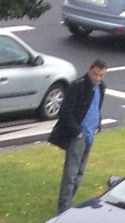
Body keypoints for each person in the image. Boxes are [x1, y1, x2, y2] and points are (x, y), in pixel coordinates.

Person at [49, 61, 107, 214]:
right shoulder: (78, 86)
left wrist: (98, 125)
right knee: (71, 174)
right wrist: (77, 132)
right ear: (89, 70)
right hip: (79, 136)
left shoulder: (101, 87)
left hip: (90, 134)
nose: (97, 78)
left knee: (80, 173)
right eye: (95, 74)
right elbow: (65, 112)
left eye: (101, 75)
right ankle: (63, 209)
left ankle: (68, 204)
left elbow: (96, 108)